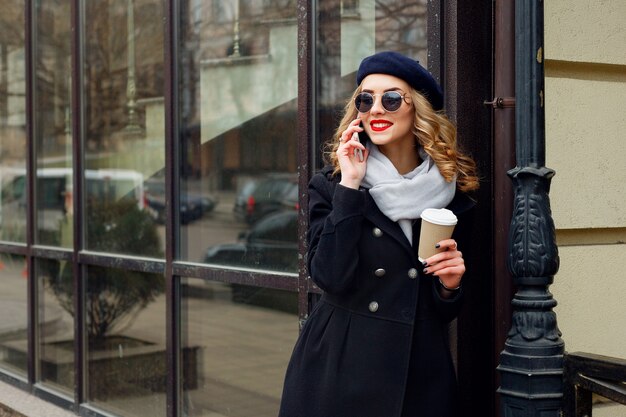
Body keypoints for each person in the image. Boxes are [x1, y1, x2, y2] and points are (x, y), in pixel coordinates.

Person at [278, 51, 479, 417]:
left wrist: (450, 286)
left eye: (390, 99)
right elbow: (329, 275)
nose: (376, 110)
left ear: (416, 109)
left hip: (420, 371)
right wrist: (351, 186)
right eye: (365, 100)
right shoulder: (333, 185)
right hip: (342, 366)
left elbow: (440, 309)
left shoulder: (454, 194)